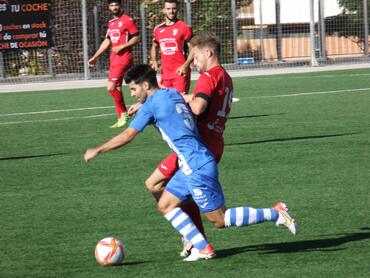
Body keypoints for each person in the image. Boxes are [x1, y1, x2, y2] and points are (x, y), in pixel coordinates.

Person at [84, 64, 297, 262]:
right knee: (165, 204)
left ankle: (276, 212)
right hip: (191, 162)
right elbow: (168, 106)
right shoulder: (171, 93)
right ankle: (202, 246)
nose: (132, 94)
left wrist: (98, 149)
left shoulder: (150, 107)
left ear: (146, 85)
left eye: (133, 89)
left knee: (220, 220)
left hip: (196, 165)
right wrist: (141, 106)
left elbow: (128, 136)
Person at [143, 32, 233, 257]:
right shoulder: (224, 75)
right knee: (156, 184)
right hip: (214, 142)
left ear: (208, 53)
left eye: (195, 56)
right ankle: (193, 238)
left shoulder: (208, 76)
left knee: (218, 218)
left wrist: (172, 107)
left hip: (197, 147)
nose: (193, 62)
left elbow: (198, 108)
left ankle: (194, 239)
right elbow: (204, 99)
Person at [88, 0, 140, 128]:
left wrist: (122, 46)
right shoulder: (111, 23)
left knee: (110, 87)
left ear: (120, 6)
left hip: (124, 58)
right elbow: (107, 41)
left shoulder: (127, 19)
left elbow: (136, 37)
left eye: (116, 5)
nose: (114, 7)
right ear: (108, 7)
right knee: (116, 88)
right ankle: (122, 116)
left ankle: (124, 113)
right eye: (111, 5)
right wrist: (95, 57)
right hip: (114, 58)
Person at [150, 0, 193, 95]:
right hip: (165, 74)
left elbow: (194, 49)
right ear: (163, 10)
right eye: (168, 9)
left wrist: (185, 66)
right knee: (166, 103)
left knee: (179, 103)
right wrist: (154, 60)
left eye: (174, 8)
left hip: (180, 73)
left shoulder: (184, 27)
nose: (171, 11)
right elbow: (154, 46)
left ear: (177, 10)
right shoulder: (158, 29)